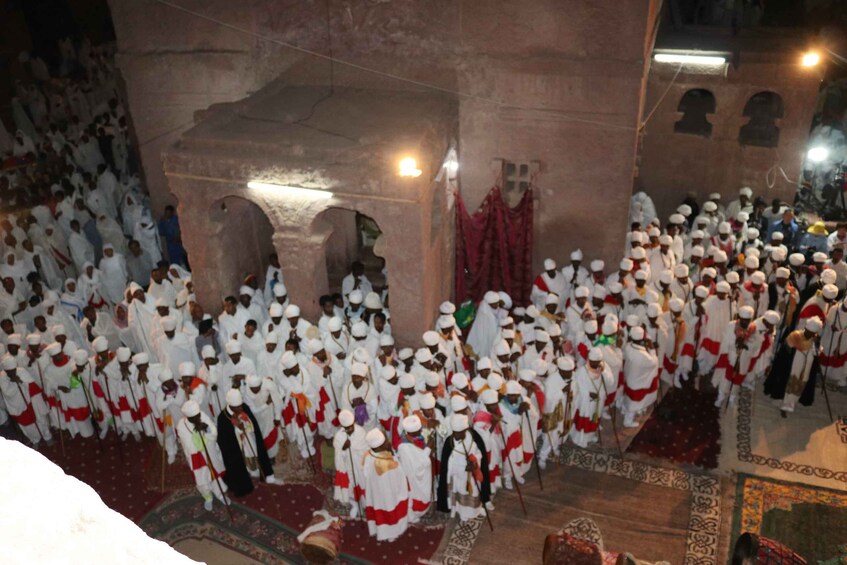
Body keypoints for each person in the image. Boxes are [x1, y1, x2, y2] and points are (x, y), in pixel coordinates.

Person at [216, 389, 282, 497]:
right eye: (237, 407)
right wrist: (237, 429)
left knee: (257, 454)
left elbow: (253, 425)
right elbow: (225, 442)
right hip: (236, 448)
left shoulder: (244, 407)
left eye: (240, 406)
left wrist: (246, 425)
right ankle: (244, 484)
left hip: (249, 439)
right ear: (230, 405)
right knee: (238, 464)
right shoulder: (222, 418)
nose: (240, 409)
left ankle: (267, 475)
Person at [764, 316, 823, 418]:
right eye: (808, 332)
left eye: (812, 333)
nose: (809, 335)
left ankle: (792, 403)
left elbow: (817, 353)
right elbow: (785, 352)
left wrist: (817, 346)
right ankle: (784, 404)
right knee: (788, 383)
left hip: (805, 368)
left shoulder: (814, 340)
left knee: (799, 385)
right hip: (792, 366)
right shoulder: (795, 336)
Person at [177, 400, 230, 511]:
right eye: (194, 417)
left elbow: (214, 432)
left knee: (214, 476)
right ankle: (208, 497)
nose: (198, 418)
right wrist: (198, 434)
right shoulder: (181, 426)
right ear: (188, 417)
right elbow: (189, 445)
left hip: (209, 452)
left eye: (198, 415)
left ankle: (220, 494)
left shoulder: (203, 416)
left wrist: (207, 429)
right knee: (202, 479)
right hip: (197, 458)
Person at [437, 413, 491, 521]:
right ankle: (459, 511)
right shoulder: (449, 442)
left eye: (459, 433)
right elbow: (447, 464)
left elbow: (480, 453)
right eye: (455, 433)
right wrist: (456, 468)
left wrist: (474, 462)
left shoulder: (473, 437)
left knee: (474, 491)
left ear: (465, 430)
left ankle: (476, 510)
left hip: (471, 473)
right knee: (460, 493)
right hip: (457, 475)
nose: (456, 435)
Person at [361, 428, 410, 541]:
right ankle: (391, 533)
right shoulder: (388, 462)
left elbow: (365, 473)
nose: (387, 443)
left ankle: (379, 531)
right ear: (379, 446)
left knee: (378, 509)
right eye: (385, 442)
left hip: (374, 491)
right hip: (388, 492)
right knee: (389, 509)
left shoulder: (367, 455)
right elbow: (399, 476)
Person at [0, 354, 52, 447]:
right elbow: (7, 393)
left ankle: (47, 436)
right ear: (5, 370)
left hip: (32, 400)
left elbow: (31, 385)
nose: (13, 373)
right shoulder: (2, 377)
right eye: (10, 372)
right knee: (27, 425)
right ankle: (35, 439)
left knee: (40, 419)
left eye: (14, 370)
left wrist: (20, 382)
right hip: (17, 406)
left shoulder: (22, 371)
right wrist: (13, 383)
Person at [396, 414, 433, 523]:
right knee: (414, 495)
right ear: (410, 433)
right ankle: (412, 516)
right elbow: (421, 463)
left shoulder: (412, 439)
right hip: (412, 476)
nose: (421, 431)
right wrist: (429, 448)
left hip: (414, 473)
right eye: (418, 430)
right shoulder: (404, 447)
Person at [332, 409, 368, 517]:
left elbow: (366, 449)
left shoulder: (361, 431)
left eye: (351, 426)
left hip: (361, 465)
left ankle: (364, 503)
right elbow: (338, 457)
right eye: (347, 428)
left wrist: (354, 450)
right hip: (348, 467)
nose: (350, 429)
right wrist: (343, 449)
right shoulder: (339, 437)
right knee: (352, 486)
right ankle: (355, 504)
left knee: (363, 484)